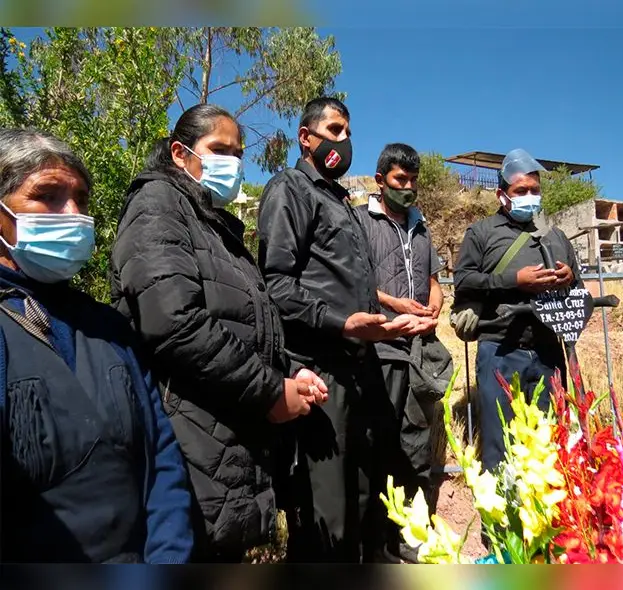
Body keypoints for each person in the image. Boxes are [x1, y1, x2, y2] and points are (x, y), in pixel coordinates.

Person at [109, 104, 328, 563]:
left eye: (238, 152)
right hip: (182, 448)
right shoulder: (157, 205)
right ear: (179, 152)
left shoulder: (218, 229)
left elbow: (248, 327)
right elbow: (174, 323)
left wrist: (292, 372)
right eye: (219, 149)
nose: (232, 161)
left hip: (224, 444)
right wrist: (271, 392)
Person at [0, 128, 192, 563]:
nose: (72, 213)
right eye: (47, 195)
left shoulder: (108, 327)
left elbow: (162, 456)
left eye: (81, 199)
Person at [256, 97, 432, 563]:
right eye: (334, 129)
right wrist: (341, 324)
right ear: (305, 137)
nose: (343, 140)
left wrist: (391, 323)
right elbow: (275, 284)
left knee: (364, 495)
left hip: (361, 370)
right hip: (321, 373)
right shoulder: (289, 190)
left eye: (348, 131)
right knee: (326, 513)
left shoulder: (341, 202)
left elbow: (353, 286)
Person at [450, 148, 581, 471]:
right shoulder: (481, 233)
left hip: (550, 353)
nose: (530, 197)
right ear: (501, 195)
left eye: (535, 191)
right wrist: (514, 280)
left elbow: (577, 287)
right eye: (520, 191)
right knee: (500, 448)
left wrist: (569, 278)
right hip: (500, 351)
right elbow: (464, 280)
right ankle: (500, 521)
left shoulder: (555, 235)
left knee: (551, 447)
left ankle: (549, 519)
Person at [356, 143, 452, 563]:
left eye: (413, 181)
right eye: (400, 180)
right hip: (379, 352)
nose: (408, 188)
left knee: (415, 450)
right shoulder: (360, 222)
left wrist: (434, 305)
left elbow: (435, 282)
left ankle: (407, 544)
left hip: (419, 352)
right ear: (381, 181)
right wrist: (395, 305)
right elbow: (356, 284)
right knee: (378, 448)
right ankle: (374, 546)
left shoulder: (422, 227)